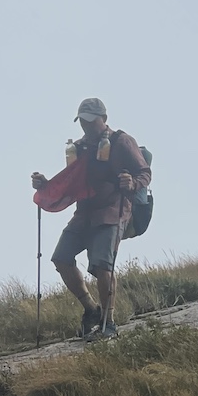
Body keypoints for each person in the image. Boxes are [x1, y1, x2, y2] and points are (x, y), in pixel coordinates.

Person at [31, 97, 151, 340]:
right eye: (82, 121)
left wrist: (132, 183)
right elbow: (71, 179)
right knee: (61, 258)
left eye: (90, 121)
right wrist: (46, 185)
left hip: (112, 210)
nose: (85, 127)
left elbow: (144, 172)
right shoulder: (78, 147)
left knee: (102, 265)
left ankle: (109, 323)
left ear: (103, 119)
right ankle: (91, 310)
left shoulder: (122, 141)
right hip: (84, 213)